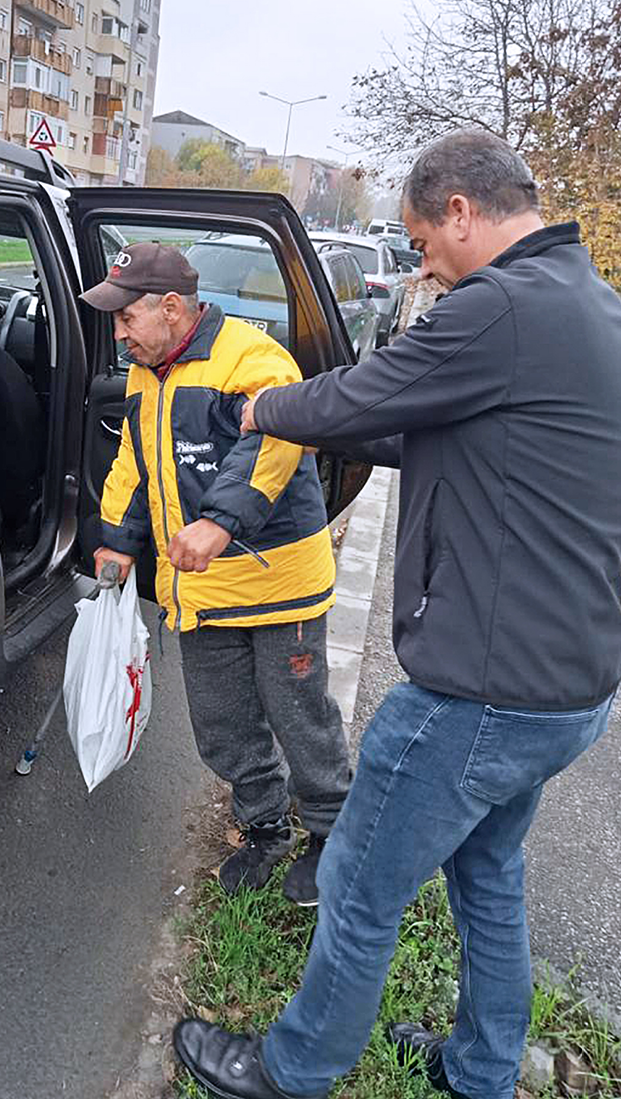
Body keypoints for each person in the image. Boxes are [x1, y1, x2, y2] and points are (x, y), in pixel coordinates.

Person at [173, 129, 621, 1099]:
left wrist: (265, 410)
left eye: (420, 243)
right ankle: (481, 1069)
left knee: (357, 882)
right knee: (487, 875)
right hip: (569, 686)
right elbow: (448, 433)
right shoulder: (587, 302)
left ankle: (291, 1070)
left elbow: (361, 394)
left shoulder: (499, 306)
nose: (421, 266)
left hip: (480, 693)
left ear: (459, 211)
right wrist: (344, 428)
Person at [82, 242, 351, 905]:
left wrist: (220, 522)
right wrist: (117, 541)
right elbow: (135, 461)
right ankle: (264, 826)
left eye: (126, 319)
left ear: (172, 308)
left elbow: (274, 443)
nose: (118, 334)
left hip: (278, 584)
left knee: (299, 716)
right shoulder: (146, 373)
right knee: (221, 722)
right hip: (201, 589)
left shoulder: (253, 360)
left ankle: (331, 835)